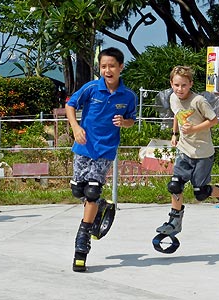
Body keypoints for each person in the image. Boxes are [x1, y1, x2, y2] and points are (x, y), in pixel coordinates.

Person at [66, 47, 137, 271]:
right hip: (83, 147)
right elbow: (70, 105)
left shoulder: (128, 96)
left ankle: (82, 243)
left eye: (112, 66)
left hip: (105, 150)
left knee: (91, 192)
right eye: (104, 66)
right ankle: (101, 206)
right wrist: (75, 127)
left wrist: (124, 123)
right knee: (79, 190)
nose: (107, 70)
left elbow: (131, 120)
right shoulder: (91, 88)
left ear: (121, 67)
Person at [156, 66, 219, 237]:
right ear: (171, 83)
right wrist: (174, 133)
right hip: (185, 150)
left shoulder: (198, 101)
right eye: (176, 85)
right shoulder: (173, 98)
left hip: (203, 153)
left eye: (184, 85)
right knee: (175, 185)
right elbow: (178, 115)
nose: (180, 89)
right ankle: (174, 221)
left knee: (200, 192)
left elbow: (214, 120)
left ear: (190, 84)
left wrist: (194, 129)